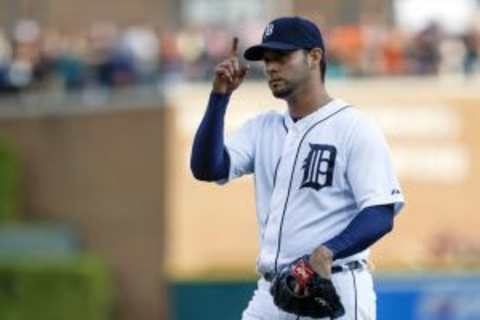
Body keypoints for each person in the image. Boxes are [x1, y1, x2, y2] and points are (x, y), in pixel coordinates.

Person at [191, 16, 404, 320]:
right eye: (267, 59)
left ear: (314, 56)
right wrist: (219, 98)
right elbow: (207, 168)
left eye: (282, 56)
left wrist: (328, 251)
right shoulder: (262, 127)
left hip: (334, 284)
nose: (271, 67)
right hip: (271, 291)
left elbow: (380, 213)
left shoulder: (353, 127)